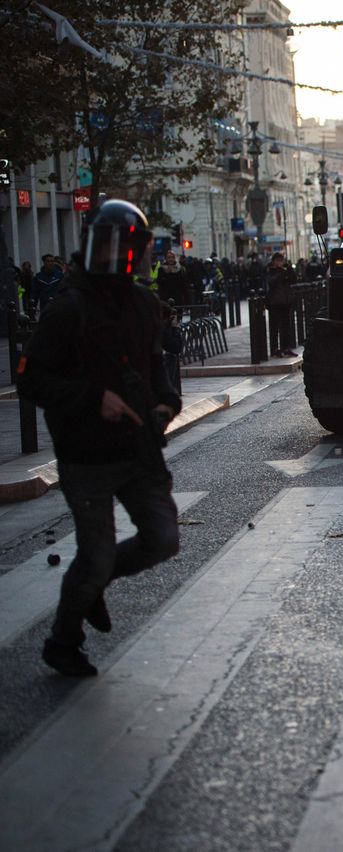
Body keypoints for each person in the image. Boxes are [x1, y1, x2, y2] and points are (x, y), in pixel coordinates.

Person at [16, 200, 182, 677]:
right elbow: (32, 381)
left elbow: (158, 372)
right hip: (86, 455)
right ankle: (63, 641)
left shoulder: (145, 304)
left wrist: (166, 405)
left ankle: (93, 587)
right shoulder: (68, 309)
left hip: (138, 449)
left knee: (163, 538)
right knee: (95, 553)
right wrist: (94, 400)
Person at [265, 251, 297, 357]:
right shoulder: (271, 271)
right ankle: (275, 349)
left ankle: (286, 347)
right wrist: (279, 271)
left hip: (285, 302)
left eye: (281, 260)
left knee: (286, 327)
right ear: (273, 262)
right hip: (275, 303)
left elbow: (293, 280)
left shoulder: (284, 271)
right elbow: (271, 282)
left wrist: (290, 269)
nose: (280, 263)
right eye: (278, 261)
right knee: (275, 328)